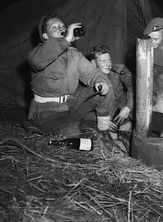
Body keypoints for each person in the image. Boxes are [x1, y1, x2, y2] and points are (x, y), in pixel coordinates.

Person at [25, 13, 115, 141]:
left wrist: (100, 82)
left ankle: (105, 133)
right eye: (54, 27)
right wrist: (66, 40)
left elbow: (91, 72)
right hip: (47, 111)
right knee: (72, 132)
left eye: (62, 26)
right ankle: (39, 127)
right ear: (45, 36)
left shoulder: (74, 54)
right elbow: (37, 61)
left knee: (106, 86)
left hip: (70, 104)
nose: (60, 29)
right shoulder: (37, 53)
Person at [86, 44, 134, 143]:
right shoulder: (87, 79)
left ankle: (128, 127)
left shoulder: (119, 70)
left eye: (109, 60)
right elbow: (81, 108)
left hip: (121, 110)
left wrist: (128, 108)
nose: (108, 64)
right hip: (103, 114)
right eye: (103, 61)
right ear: (94, 63)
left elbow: (133, 87)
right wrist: (103, 120)